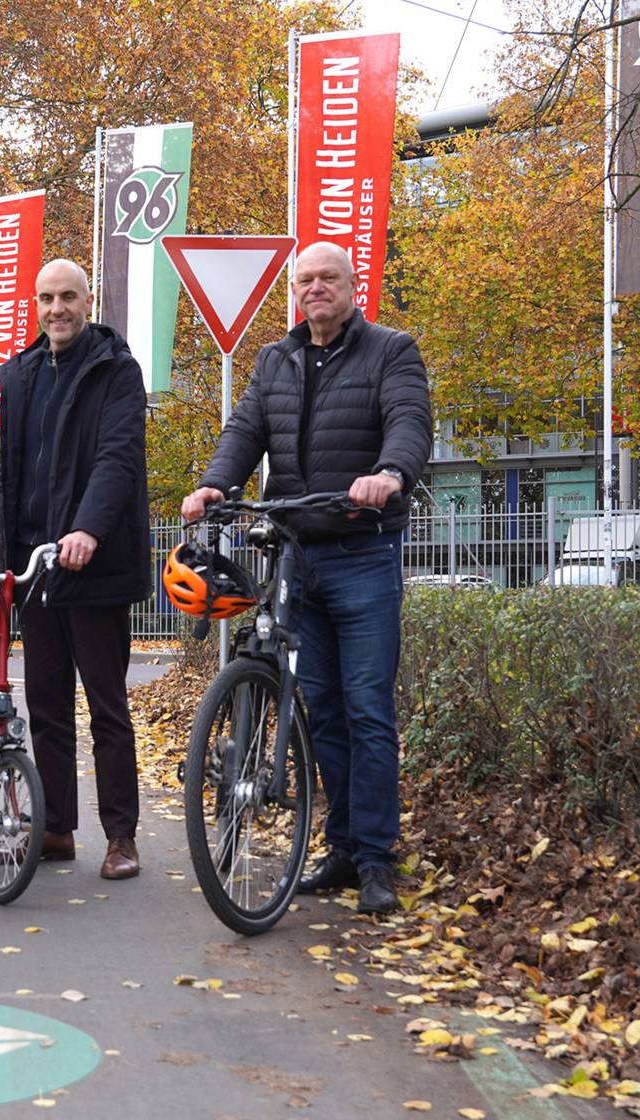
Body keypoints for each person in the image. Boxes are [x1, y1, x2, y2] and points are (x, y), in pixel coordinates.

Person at [180, 242, 432, 915]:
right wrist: (213, 483)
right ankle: (343, 848)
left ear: (354, 286)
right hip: (296, 551)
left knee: (368, 710)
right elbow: (246, 428)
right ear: (295, 291)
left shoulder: (390, 350)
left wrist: (391, 475)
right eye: (306, 280)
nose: (316, 288)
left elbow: (410, 423)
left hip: (362, 552)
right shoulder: (276, 358)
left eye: (329, 278)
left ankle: (377, 858)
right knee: (321, 714)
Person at [0, 258, 151, 880]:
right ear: (34, 304)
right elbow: (12, 471)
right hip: (36, 569)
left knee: (107, 706)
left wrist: (86, 528)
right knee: (47, 704)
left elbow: (119, 457)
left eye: (67, 297)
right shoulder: (20, 374)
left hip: (94, 564)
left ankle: (122, 838)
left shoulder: (115, 370)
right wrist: (4, 544)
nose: (56, 309)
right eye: (45, 298)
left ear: (89, 302)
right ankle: (56, 828)